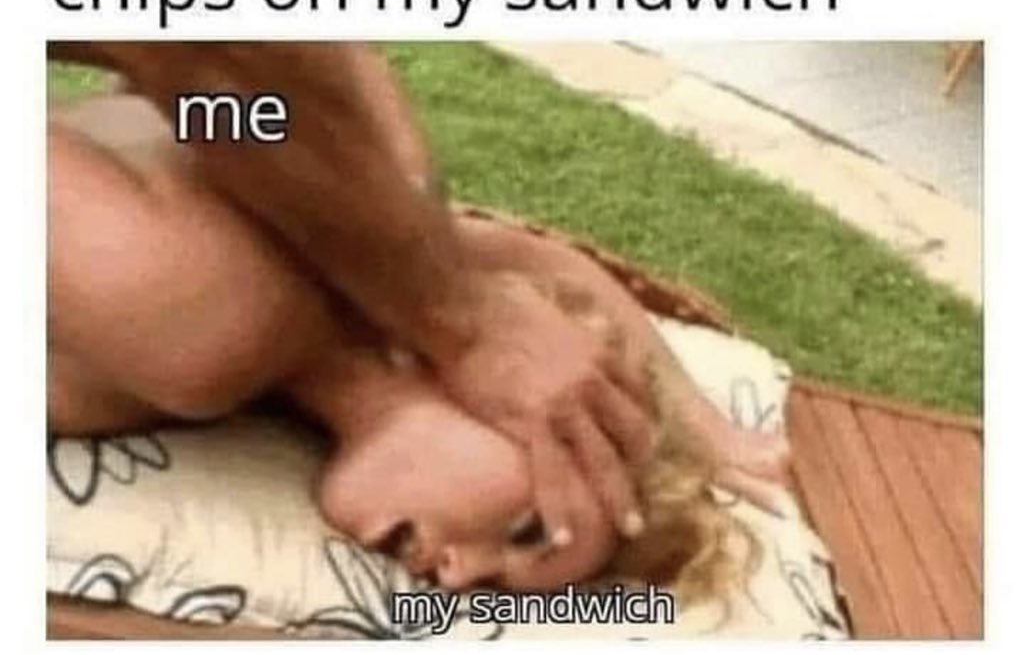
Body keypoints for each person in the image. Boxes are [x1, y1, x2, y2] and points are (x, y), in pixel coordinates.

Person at [48, 92, 789, 597]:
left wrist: (705, 427)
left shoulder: (346, 252)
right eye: (526, 530)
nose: (456, 578)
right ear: (512, 382)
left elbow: (543, 263)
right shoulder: (217, 328)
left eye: (493, 583)